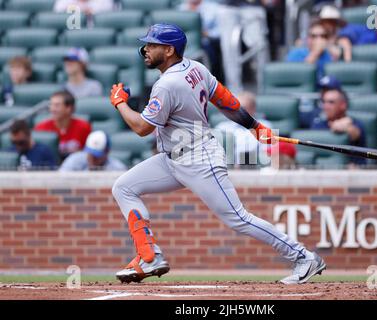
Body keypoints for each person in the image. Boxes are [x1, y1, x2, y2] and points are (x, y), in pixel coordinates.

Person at [110, 23, 325, 284]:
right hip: (172, 158)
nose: (145, 49)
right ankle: (148, 255)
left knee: (238, 219)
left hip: (198, 158)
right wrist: (254, 127)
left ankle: (303, 257)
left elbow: (142, 128)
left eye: (152, 45)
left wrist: (120, 103)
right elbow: (226, 100)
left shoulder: (168, 84)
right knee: (124, 187)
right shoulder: (195, 68)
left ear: (168, 50)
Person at [310, 88, 366, 165]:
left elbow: (355, 134)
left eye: (331, 102)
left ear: (343, 105)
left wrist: (345, 128)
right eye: (324, 102)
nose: (326, 106)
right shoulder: (318, 124)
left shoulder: (355, 123)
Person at [215, 91, 271, 166]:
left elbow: (266, 155)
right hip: (228, 170)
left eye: (243, 108)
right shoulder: (221, 128)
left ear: (253, 109)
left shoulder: (264, 127)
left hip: (257, 169)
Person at [34, 91, 91, 160]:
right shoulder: (41, 128)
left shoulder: (83, 127)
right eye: (51, 105)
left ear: (69, 108)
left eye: (57, 105)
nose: (52, 109)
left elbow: (88, 154)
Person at [179, 0, 225, 83]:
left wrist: (207, 34)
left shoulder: (213, 8)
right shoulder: (180, 8)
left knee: (209, 49)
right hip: (182, 43)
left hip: (206, 43)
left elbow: (221, 32)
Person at [59, 130, 127, 171]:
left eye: (97, 155)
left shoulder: (117, 168)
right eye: (91, 153)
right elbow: (59, 180)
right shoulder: (74, 160)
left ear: (107, 152)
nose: (93, 158)